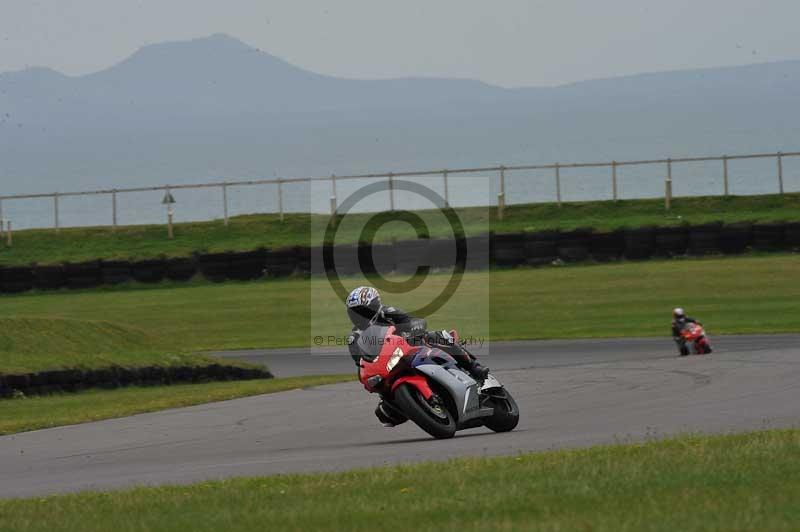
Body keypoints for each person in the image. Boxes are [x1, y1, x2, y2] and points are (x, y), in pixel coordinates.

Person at [345, 286, 489, 381]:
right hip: (387, 363)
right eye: (354, 312)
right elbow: (359, 360)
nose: (359, 316)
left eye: (362, 311)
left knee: (435, 336)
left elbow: (412, 321)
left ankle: (473, 367)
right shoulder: (355, 336)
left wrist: (412, 331)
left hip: (410, 348)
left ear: (374, 306)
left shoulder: (388, 312)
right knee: (382, 408)